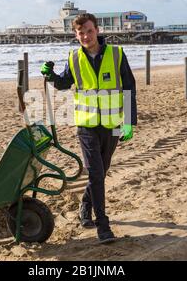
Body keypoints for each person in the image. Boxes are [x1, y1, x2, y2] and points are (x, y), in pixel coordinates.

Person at [40, 13, 137, 244]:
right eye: (80, 32)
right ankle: (103, 226)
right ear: (76, 34)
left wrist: (129, 122)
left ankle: (85, 205)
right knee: (95, 173)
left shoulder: (117, 54)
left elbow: (129, 87)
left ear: (98, 31)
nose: (85, 36)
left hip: (113, 123)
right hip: (86, 125)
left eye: (89, 31)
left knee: (100, 173)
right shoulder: (73, 58)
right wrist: (50, 75)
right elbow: (64, 83)